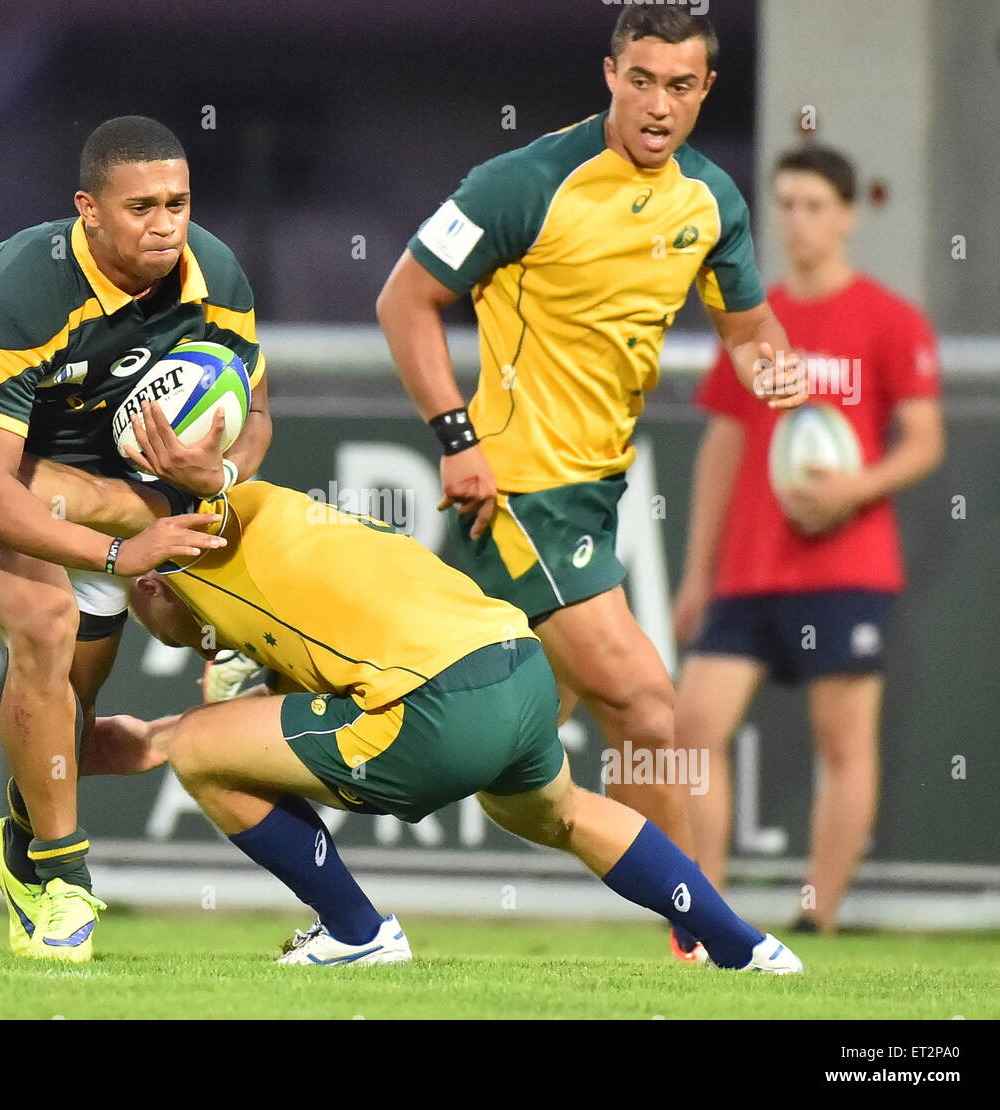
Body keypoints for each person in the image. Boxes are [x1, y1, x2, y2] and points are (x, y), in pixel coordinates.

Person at [0, 441, 804, 973]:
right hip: (516, 669)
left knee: (197, 753)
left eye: (143, 604)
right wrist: (54, 751)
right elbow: (191, 733)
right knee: (563, 814)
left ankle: (357, 930)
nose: (179, 637)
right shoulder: (291, 531)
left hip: (436, 707)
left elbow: (80, 497)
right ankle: (746, 946)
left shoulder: (192, 540)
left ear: (150, 579)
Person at [375, 7, 806, 962]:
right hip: (520, 494)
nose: (658, 105)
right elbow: (403, 296)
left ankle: (280, 733)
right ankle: (711, 939)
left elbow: (747, 327)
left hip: (595, 498)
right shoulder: (523, 182)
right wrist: (456, 437)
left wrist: (778, 365)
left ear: (705, 92)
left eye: (680, 87)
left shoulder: (711, 200)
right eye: (642, 80)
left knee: (487, 751)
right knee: (651, 707)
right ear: (610, 74)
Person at [0, 115, 272, 961]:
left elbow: (255, 415)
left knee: (76, 718)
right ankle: (65, 883)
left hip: (115, 491)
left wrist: (215, 474)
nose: (166, 224)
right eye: (143, 206)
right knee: (44, 625)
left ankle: (21, 839)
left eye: (179, 203)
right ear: (88, 210)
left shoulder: (214, 273)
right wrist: (121, 556)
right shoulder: (23, 288)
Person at [671, 145, 945, 935]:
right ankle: (706, 910)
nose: (797, 220)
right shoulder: (754, 319)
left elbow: (924, 441)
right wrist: (698, 574)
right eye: (784, 204)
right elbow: (722, 448)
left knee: (844, 742)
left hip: (846, 567)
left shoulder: (890, 319)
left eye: (815, 204)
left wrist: (851, 492)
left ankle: (816, 916)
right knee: (694, 731)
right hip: (750, 570)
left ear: (849, 214)